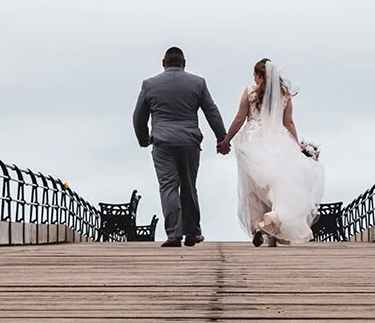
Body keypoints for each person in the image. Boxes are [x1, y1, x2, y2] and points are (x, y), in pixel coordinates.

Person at [219, 59, 325, 246]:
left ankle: (258, 226)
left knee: (253, 186)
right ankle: (273, 224)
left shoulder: (250, 92)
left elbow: (239, 118)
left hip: (253, 141)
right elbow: (289, 122)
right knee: (276, 184)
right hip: (278, 139)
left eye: (255, 75)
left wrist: (226, 140)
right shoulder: (284, 95)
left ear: (259, 75)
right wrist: (296, 145)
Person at [133, 47, 228, 247]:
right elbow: (212, 111)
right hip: (189, 142)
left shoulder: (150, 85)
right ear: (184, 63)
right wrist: (222, 138)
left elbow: (138, 117)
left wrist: (143, 139)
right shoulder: (197, 83)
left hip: (162, 143)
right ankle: (192, 232)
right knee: (188, 186)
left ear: (163, 63)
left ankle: (174, 234)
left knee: (168, 187)